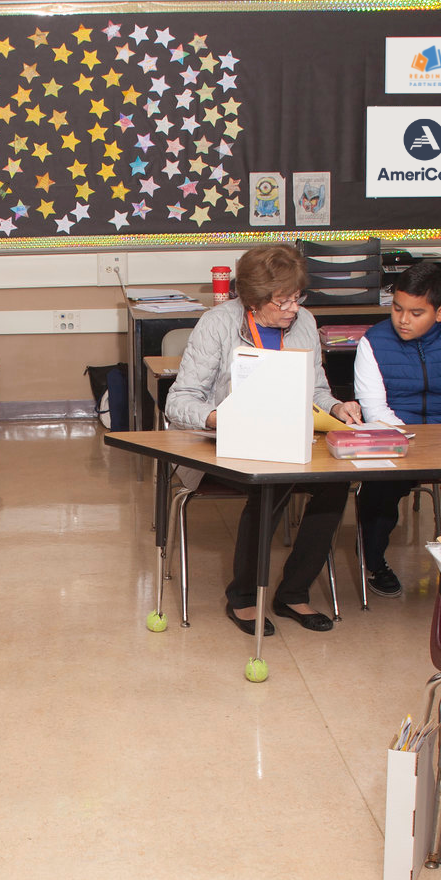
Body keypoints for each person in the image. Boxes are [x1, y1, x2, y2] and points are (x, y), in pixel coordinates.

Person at [163, 244, 363, 634]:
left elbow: (316, 389)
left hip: (290, 436)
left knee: (336, 481)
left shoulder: (303, 320)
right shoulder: (217, 323)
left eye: (296, 297)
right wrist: (222, 418)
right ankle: (243, 597)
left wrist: (337, 408)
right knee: (275, 478)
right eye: (281, 301)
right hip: (221, 441)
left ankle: (293, 592)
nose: (292, 309)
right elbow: (179, 400)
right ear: (251, 300)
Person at [353, 262, 441, 597]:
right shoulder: (373, 342)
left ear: (440, 312)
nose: (402, 320)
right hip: (397, 441)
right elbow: (376, 412)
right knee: (377, 492)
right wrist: (419, 455)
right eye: (397, 308)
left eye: (415, 312)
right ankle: (374, 561)